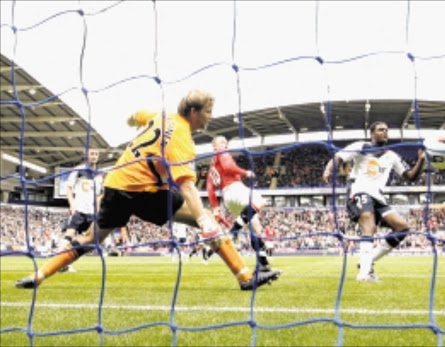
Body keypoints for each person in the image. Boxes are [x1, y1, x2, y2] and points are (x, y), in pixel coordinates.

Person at [15, 89, 281, 291]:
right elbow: (187, 186)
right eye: (208, 112)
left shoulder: (161, 116)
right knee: (209, 221)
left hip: (116, 184)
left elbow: (135, 115)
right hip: (144, 190)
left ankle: (39, 276)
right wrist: (203, 220)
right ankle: (245, 276)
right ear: (193, 111)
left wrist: (133, 122)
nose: (210, 117)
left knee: (91, 239)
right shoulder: (182, 139)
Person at [322, 121, 425, 281]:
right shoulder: (361, 146)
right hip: (359, 191)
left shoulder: (391, 156)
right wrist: (328, 169)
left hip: (378, 196)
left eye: (386, 130)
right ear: (372, 134)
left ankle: (367, 262)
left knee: (402, 228)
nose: (385, 132)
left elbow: (410, 176)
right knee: (369, 226)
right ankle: (363, 274)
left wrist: (421, 160)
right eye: (380, 130)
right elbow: (338, 157)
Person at [207, 136, 274, 272]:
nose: (225, 144)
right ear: (215, 146)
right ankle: (233, 231)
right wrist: (245, 172)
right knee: (261, 201)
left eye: (226, 142)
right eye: (222, 142)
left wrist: (215, 207)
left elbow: (209, 187)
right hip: (235, 189)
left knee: (255, 228)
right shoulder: (223, 154)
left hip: (228, 198)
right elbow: (229, 166)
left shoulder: (212, 166)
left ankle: (264, 265)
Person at [59, 148, 103, 273]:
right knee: (69, 234)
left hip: (91, 212)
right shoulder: (78, 170)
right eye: (92, 154)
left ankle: (66, 261)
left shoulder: (99, 175)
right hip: (79, 209)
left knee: (93, 238)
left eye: (96, 154)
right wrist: (72, 204)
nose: (94, 156)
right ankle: (61, 262)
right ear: (86, 155)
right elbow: (68, 188)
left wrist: (98, 209)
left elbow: (99, 194)